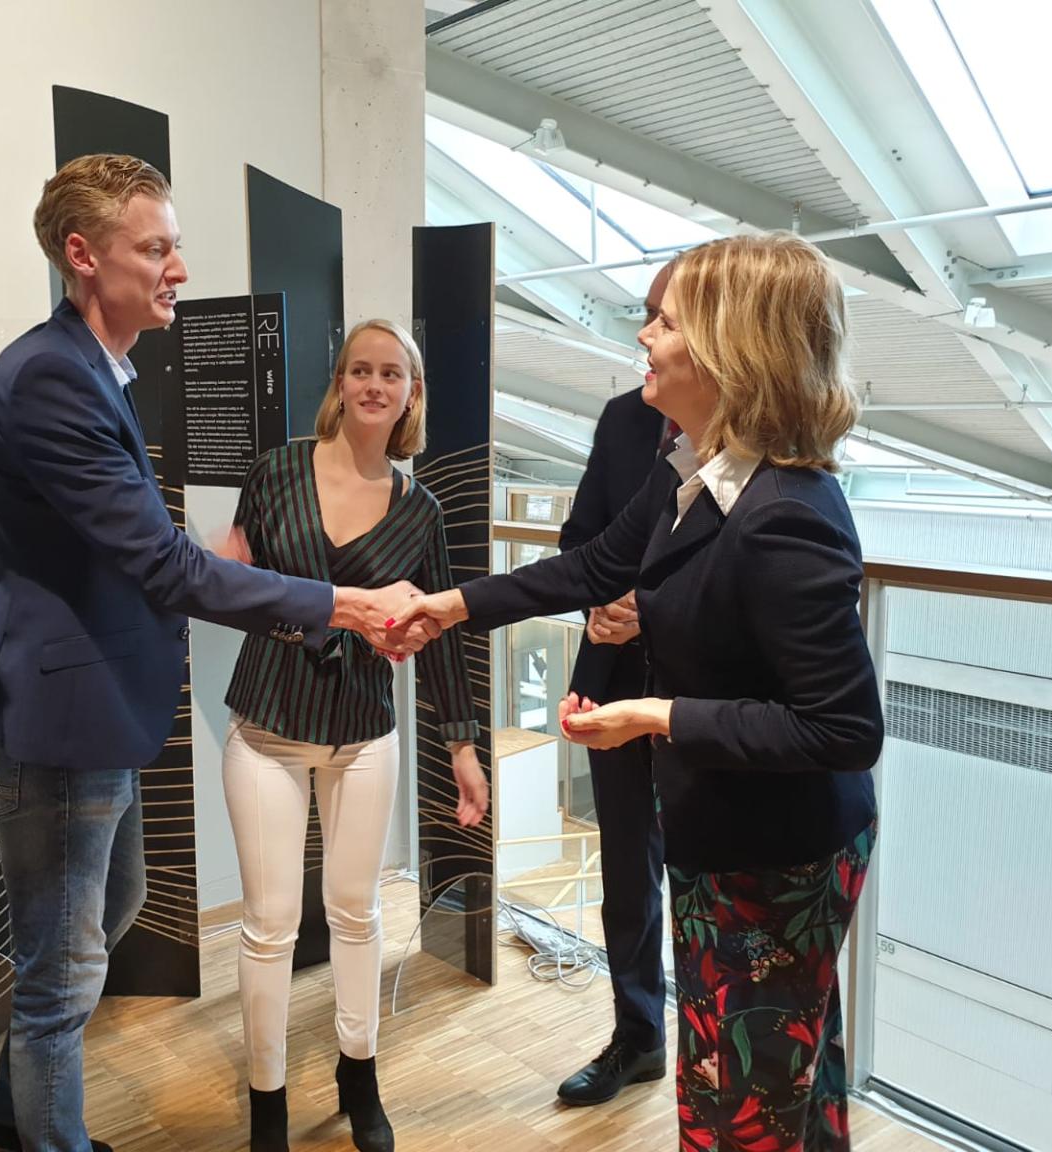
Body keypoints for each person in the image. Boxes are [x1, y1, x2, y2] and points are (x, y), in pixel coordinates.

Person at [0, 155, 428, 1152]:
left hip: (102, 704)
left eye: (176, 244)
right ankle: (47, 1140)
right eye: (155, 247)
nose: (178, 266)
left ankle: (6, 1115)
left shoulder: (91, 368)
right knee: (66, 968)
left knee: (108, 912)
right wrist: (339, 604)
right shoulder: (54, 378)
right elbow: (168, 567)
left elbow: (156, 558)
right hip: (55, 712)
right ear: (84, 256)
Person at [396, 233, 882, 1151]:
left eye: (665, 321)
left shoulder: (784, 515)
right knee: (788, 1086)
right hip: (734, 833)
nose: (645, 337)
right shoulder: (702, 473)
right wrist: (451, 605)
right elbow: (600, 561)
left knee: (740, 1108)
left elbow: (845, 727)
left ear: (730, 346)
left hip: (772, 856)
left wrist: (657, 715)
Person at [218, 320, 490, 1152]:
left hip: (364, 732)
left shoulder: (423, 512)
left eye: (392, 374)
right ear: (339, 383)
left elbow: (441, 632)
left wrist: (463, 747)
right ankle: (267, 1099)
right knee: (268, 925)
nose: (375, 386)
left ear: (411, 394)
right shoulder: (274, 473)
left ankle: (357, 1071)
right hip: (266, 728)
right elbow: (230, 583)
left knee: (356, 913)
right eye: (361, 371)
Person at [552, 264, 672, 1107]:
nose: (645, 336)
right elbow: (581, 535)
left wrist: (649, 611)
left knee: (703, 866)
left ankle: (712, 1043)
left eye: (662, 320)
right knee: (628, 869)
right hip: (610, 678)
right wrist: (603, 602)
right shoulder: (622, 419)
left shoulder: (766, 436)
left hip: (703, 693)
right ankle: (639, 1038)